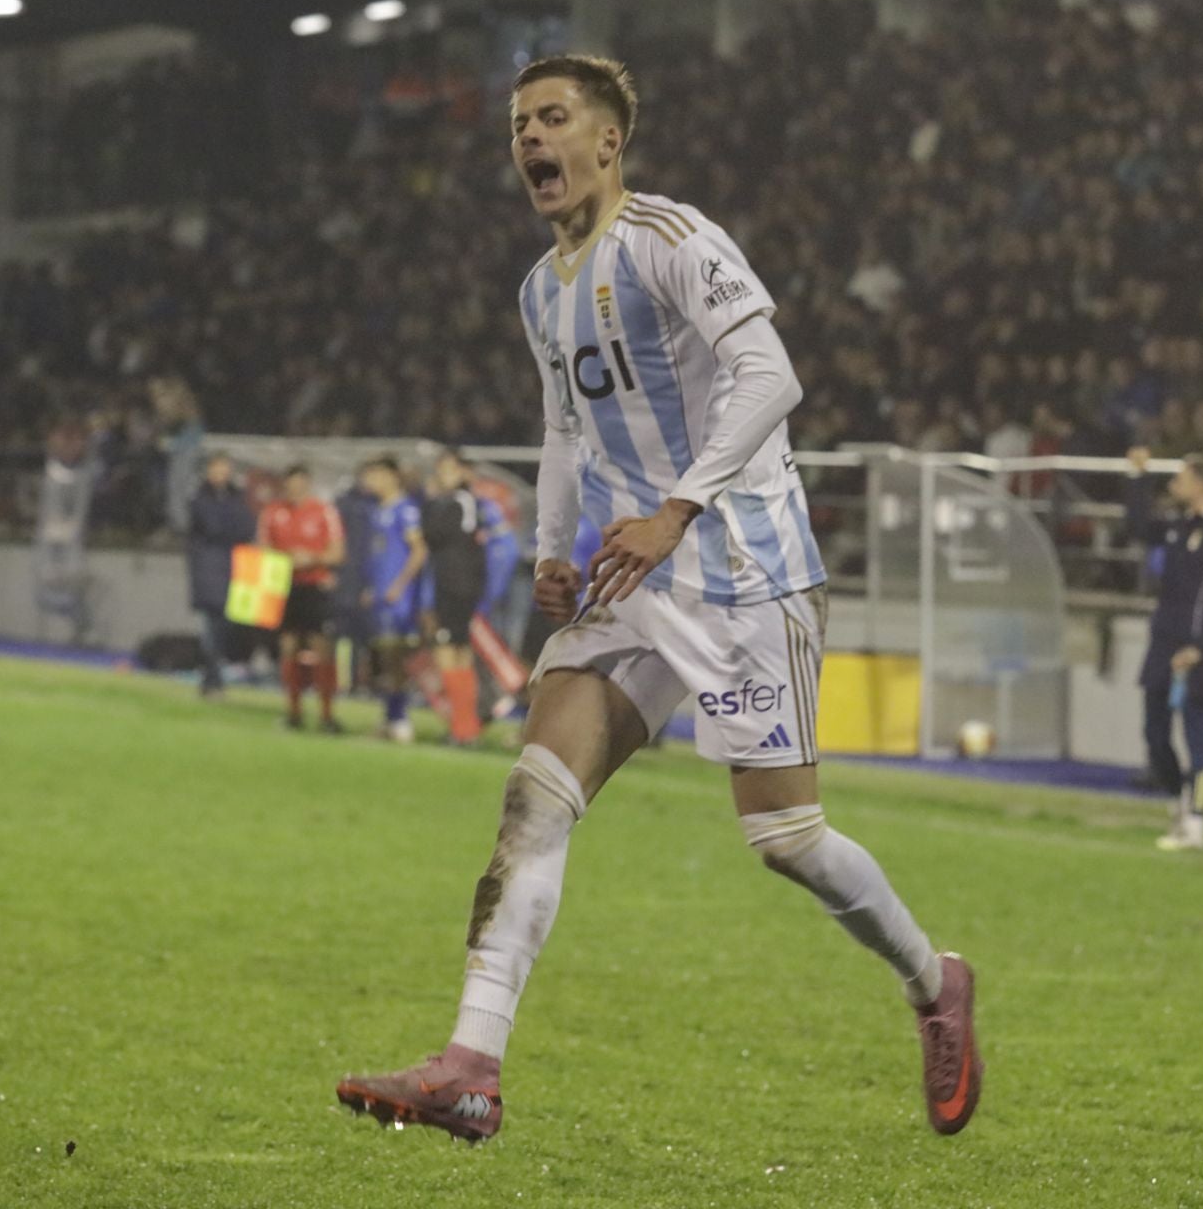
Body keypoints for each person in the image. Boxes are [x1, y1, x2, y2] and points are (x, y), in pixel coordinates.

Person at [336, 55, 979, 1142]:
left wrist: (678, 506)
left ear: (607, 142)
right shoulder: (542, 288)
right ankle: (472, 1065)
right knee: (535, 796)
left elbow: (771, 377)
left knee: (786, 836)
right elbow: (561, 427)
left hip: (743, 568)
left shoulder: (673, 239)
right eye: (517, 125)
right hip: (631, 579)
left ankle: (933, 982)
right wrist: (550, 547)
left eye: (552, 119)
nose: (530, 140)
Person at [1125, 450, 1203, 853]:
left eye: (1182, 477)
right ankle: (1178, 802)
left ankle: (1197, 823)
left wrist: (1200, 646)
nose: (1175, 484)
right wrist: (1137, 479)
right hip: (1162, 644)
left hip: (1195, 651)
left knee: (1198, 739)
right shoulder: (1176, 526)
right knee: (1154, 736)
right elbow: (1137, 527)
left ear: (1201, 485)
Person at [259, 465, 345, 733]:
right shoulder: (272, 513)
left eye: (300, 485)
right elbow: (261, 551)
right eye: (290, 486)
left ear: (307, 485)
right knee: (288, 647)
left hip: (315, 586)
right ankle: (293, 713)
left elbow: (338, 553)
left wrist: (312, 558)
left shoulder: (323, 512)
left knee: (322, 648)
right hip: (284, 587)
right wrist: (285, 559)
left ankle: (326, 715)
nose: (295, 491)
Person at [421, 452, 489, 746]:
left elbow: (434, 534)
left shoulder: (460, 501)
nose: (443, 476)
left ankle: (461, 728)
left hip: (455, 585)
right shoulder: (462, 502)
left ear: (462, 473)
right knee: (460, 653)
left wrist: (431, 502)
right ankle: (466, 728)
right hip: (459, 584)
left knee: (447, 651)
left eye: (449, 470)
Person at [358, 457, 427, 742]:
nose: (368, 481)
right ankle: (389, 718)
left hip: (398, 597)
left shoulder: (405, 509)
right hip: (382, 593)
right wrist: (373, 587)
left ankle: (400, 720)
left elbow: (419, 550)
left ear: (390, 477)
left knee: (395, 657)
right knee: (384, 659)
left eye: (374, 475)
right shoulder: (379, 510)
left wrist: (399, 586)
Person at [186, 454, 253, 699]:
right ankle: (212, 679)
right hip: (210, 570)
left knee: (224, 627)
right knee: (212, 626)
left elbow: (246, 528)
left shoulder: (237, 498)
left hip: (233, 569)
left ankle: (214, 677)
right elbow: (215, 526)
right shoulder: (200, 498)